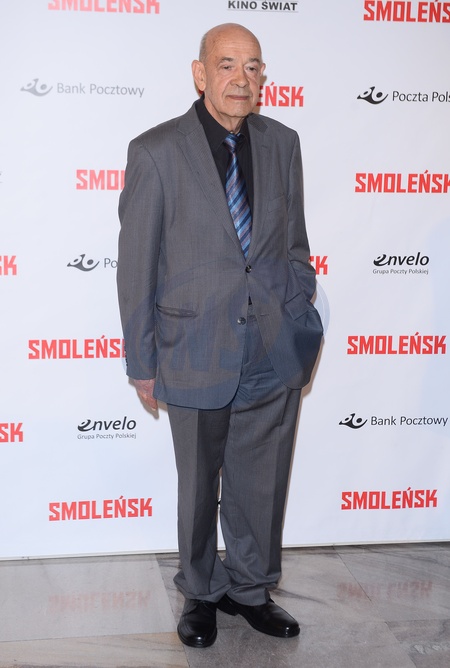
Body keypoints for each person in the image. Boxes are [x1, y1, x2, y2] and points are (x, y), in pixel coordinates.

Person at [117, 23, 322, 648]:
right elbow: (136, 266)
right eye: (227, 64)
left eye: (253, 66)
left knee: (262, 480)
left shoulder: (283, 142)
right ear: (200, 73)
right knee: (199, 483)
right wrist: (142, 361)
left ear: (263, 78)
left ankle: (252, 589)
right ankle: (202, 593)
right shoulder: (156, 151)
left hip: (272, 346)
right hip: (193, 347)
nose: (241, 78)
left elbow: (294, 243)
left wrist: (298, 308)